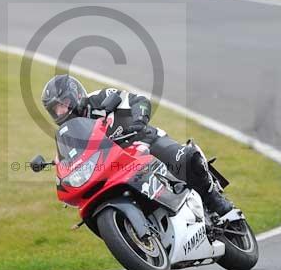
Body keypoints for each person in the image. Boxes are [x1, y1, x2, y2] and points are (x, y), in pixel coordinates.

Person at [41, 74, 234, 215]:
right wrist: (61, 170)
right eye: (55, 109)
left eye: (63, 103)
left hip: (144, 140)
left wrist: (139, 119)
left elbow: (139, 100)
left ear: (75, 95)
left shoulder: (99, 98)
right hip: (119, 163)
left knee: (186, 158)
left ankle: (213, 199)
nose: (62, 111)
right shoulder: (69, 132)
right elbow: (67, 158)